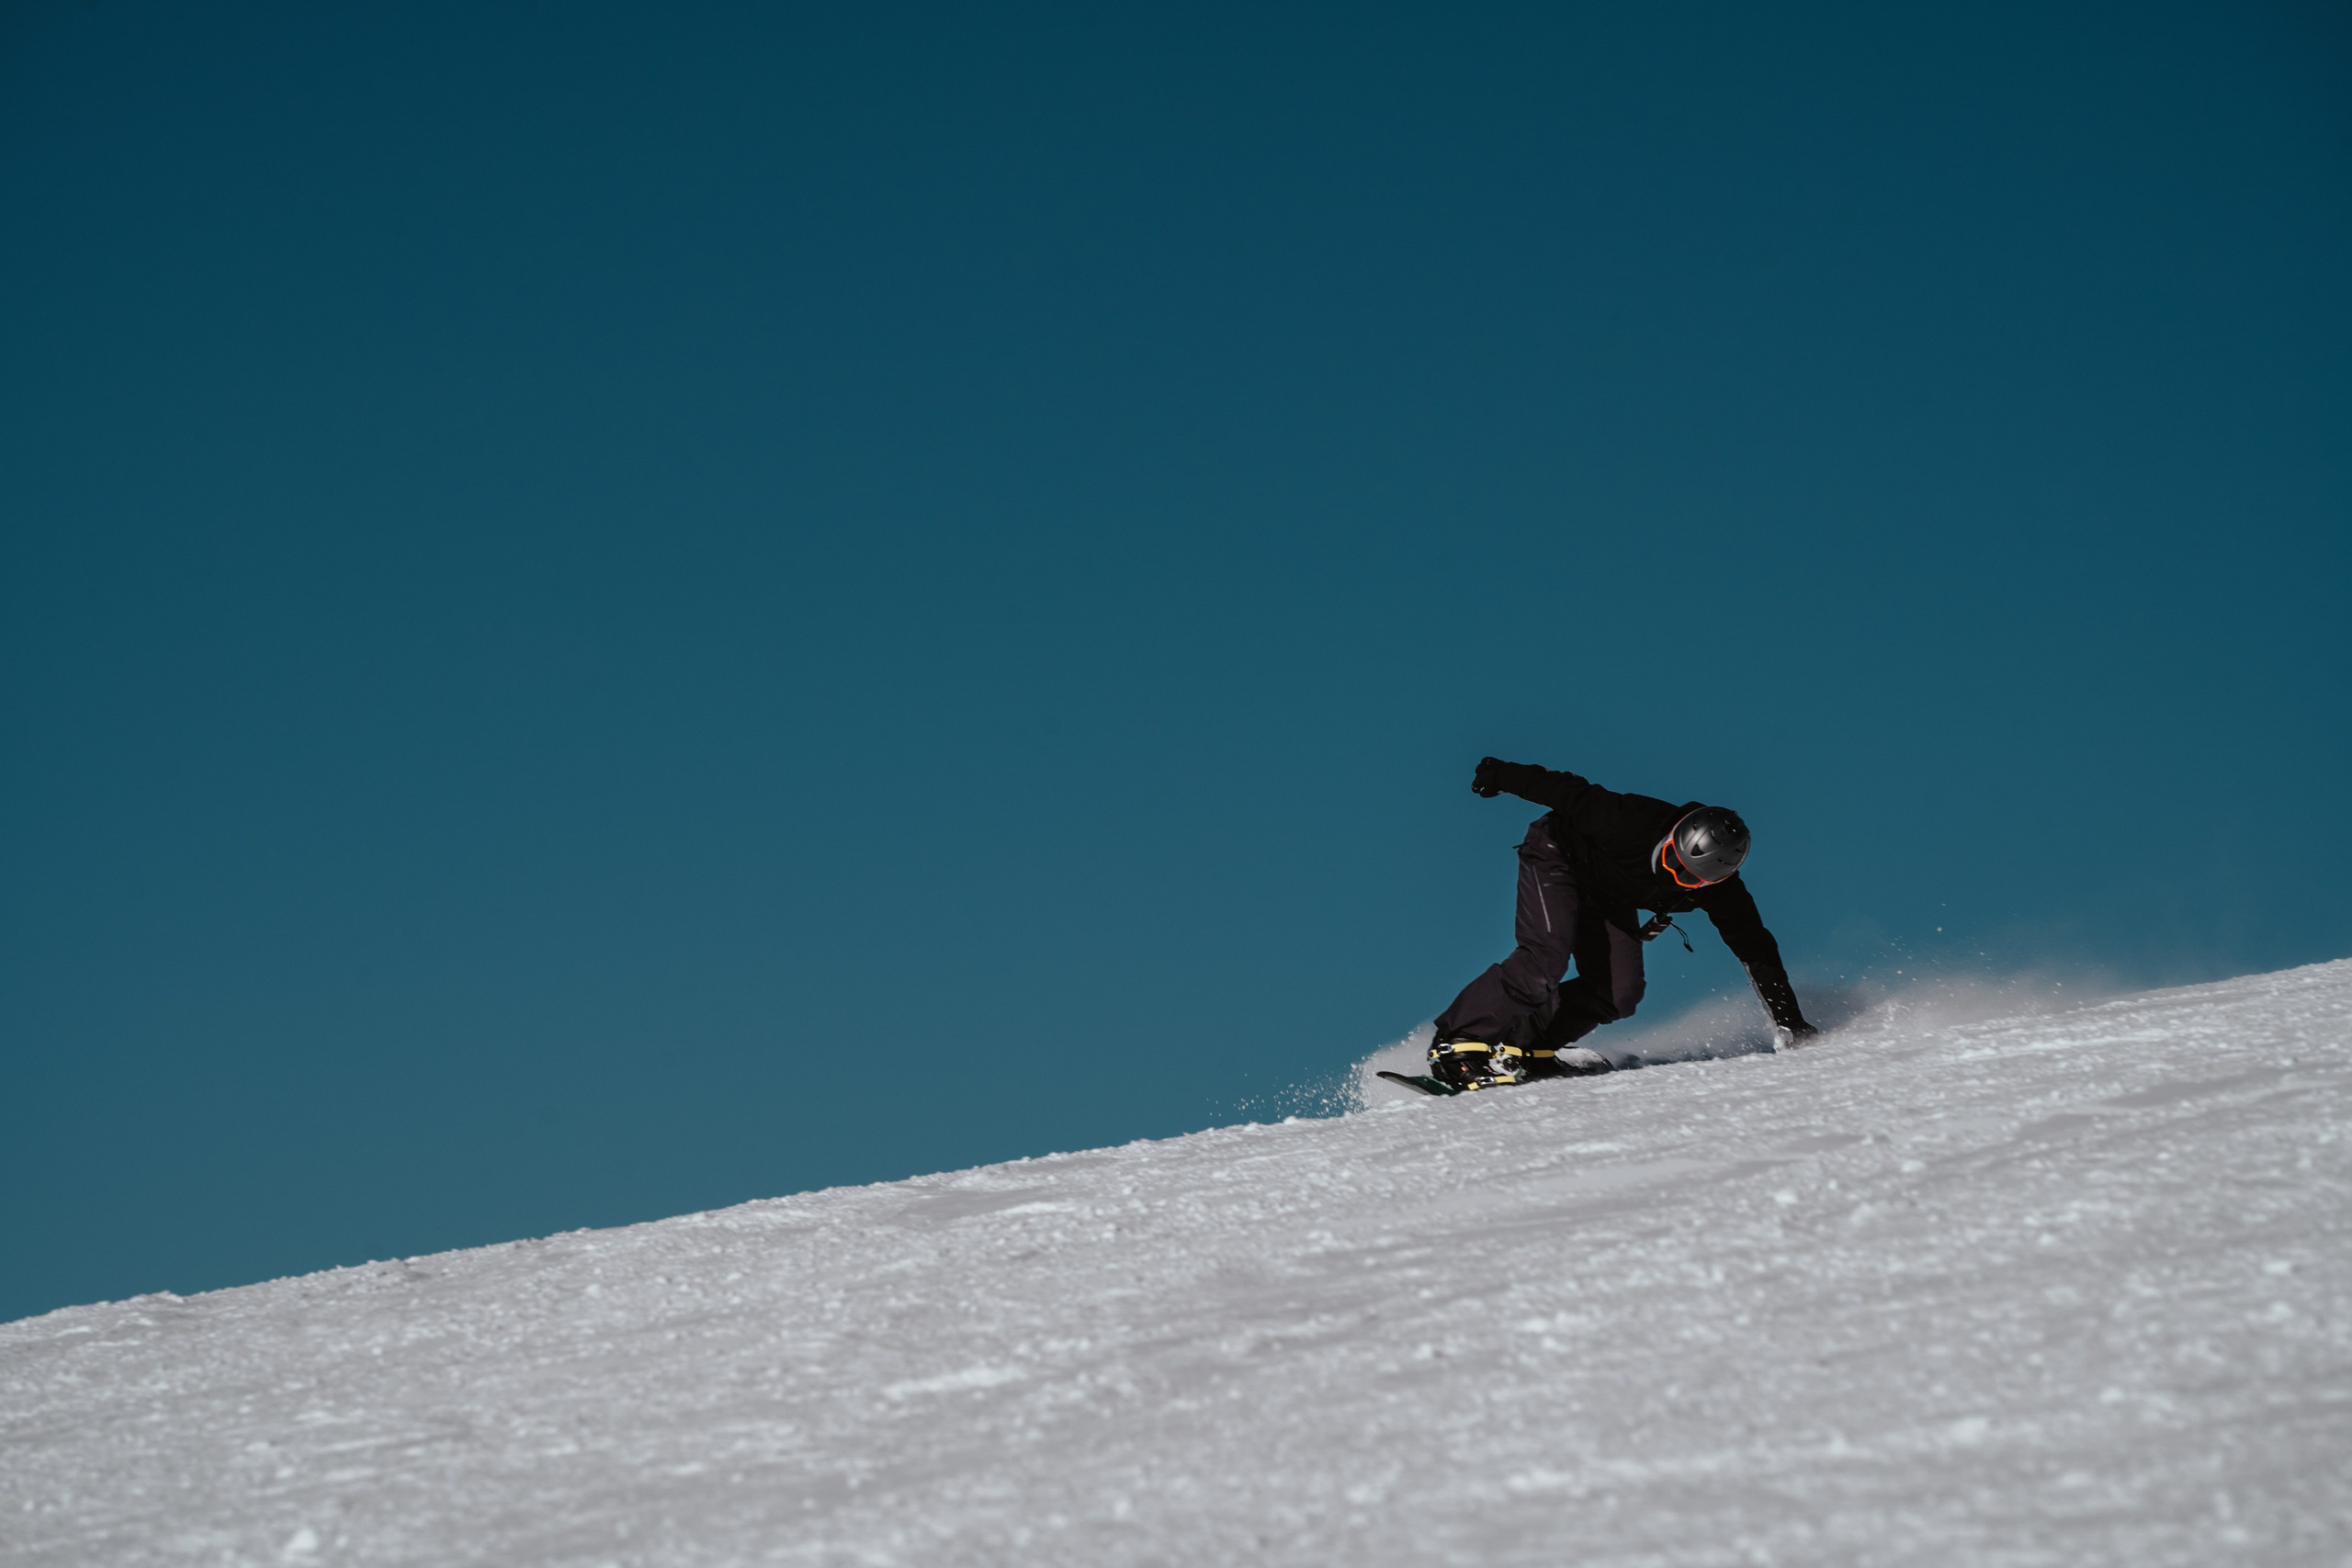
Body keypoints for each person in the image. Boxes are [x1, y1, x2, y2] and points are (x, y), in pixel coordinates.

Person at [1425, 756, 1816, 1089]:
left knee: (1619, 991)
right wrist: (1500, 774)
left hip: (1608, 897)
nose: (1675, 876)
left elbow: (1757, 951)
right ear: (1672, 839)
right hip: (1558, 857)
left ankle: (1528, 1046)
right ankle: (1459, 1042)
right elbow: (1565, 790)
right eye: (1672, 862)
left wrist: (1791, 1024)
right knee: (1546, 955)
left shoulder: (1723, 893)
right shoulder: (1627, 821)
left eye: (1689, 880)